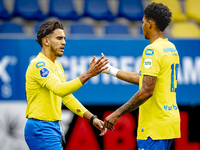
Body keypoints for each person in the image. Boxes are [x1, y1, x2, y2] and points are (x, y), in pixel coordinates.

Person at [102, 2, 180, 150]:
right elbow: (146, 80)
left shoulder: (152, 50)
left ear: (150, 24)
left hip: (154, 127)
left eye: (143, 22)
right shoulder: (171, 48)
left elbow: (147, 90)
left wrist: (117, 113)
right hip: (169, 124)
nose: (142, 26)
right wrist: (110, 70)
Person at [24, 21, 108, 150]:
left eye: (64, 38)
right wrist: (88, 74)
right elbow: (60, 90)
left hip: (52, 127)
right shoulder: (39, 65)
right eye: (59, 38)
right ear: (46, 41)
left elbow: (67, 97)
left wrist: (92, 118)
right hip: (41, 128)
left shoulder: (57, 66)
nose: (64, 42)